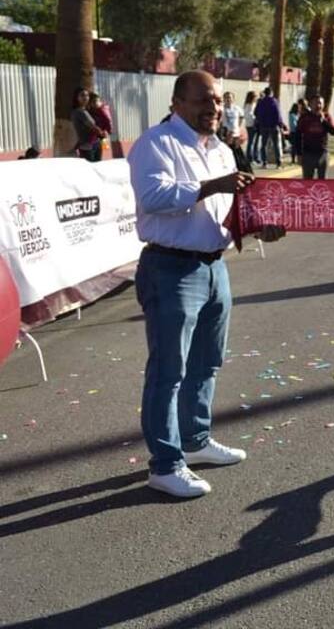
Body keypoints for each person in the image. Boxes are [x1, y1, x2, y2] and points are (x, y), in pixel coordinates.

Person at [126, 70, 286, 498]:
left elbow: (228, 210)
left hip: (214, 267)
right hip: (170, 269)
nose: (212, 108)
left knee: (206, 364)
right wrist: (211, 185)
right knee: (168, 371)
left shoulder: (220, 150)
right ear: (176, 103)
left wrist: (257, 229)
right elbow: (153, 198)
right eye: (202, 100)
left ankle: (195, 442)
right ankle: (165, 464)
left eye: (216, 100)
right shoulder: (155, 144)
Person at [296, 96, 334, 179]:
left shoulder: (326, 116)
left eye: (320, 103)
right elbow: (298, 136)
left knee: (323, 182)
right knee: (307, 181)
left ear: (323, 105)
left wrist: (323, 121)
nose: (318, 105)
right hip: (308, 154)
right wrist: (299, 154)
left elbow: (333, 131)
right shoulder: (304, 117)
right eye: (316, 103)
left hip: (322, 153)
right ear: (310, 105)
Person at [254, 87, 288, 168]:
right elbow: (278, 114)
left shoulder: (261, 102)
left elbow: (256, 112)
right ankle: (278, 163)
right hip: (273, 125)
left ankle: (264, 162)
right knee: (276, 144)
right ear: (271, 93)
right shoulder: (275, 101)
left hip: (264, 126)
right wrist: (280, 125)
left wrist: (261, 120)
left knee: (263, 145)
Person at [71, 87, 101, 161]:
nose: (85, 97)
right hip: (86, 146)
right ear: (76, 97)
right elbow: (93, 126)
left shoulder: (85, 110)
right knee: (90, 169)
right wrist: (102, 132)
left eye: (87, 95)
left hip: (94, 143)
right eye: (82, 95)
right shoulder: (79, 112)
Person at [88, 91, 114, 158]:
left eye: (96, 101)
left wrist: (108, 130)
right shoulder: (93, 110)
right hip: (96, 135)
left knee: (102, 147)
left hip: (102, 133)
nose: (95, 103)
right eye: (92, 102)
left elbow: (108, 120)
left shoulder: (103, 110)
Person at [243, 92, 261, 165]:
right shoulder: (250, 105)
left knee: (255, 142)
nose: (256, 98)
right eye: (255, 97)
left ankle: (255, 157)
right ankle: (250, 158)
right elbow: (249, 115)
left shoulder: (249, 105)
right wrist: (255, 119)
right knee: (251, 142)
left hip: (251, 125)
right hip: (251, 125)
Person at [287, 99, 306, 165]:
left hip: (297, 132)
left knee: (297, 146)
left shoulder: (297, 115)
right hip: (294, 132)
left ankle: (297, 158)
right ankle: (293, 159)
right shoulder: (292, 115)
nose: (299, 109)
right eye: (298, 108)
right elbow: (294, 124)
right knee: (294, 146)